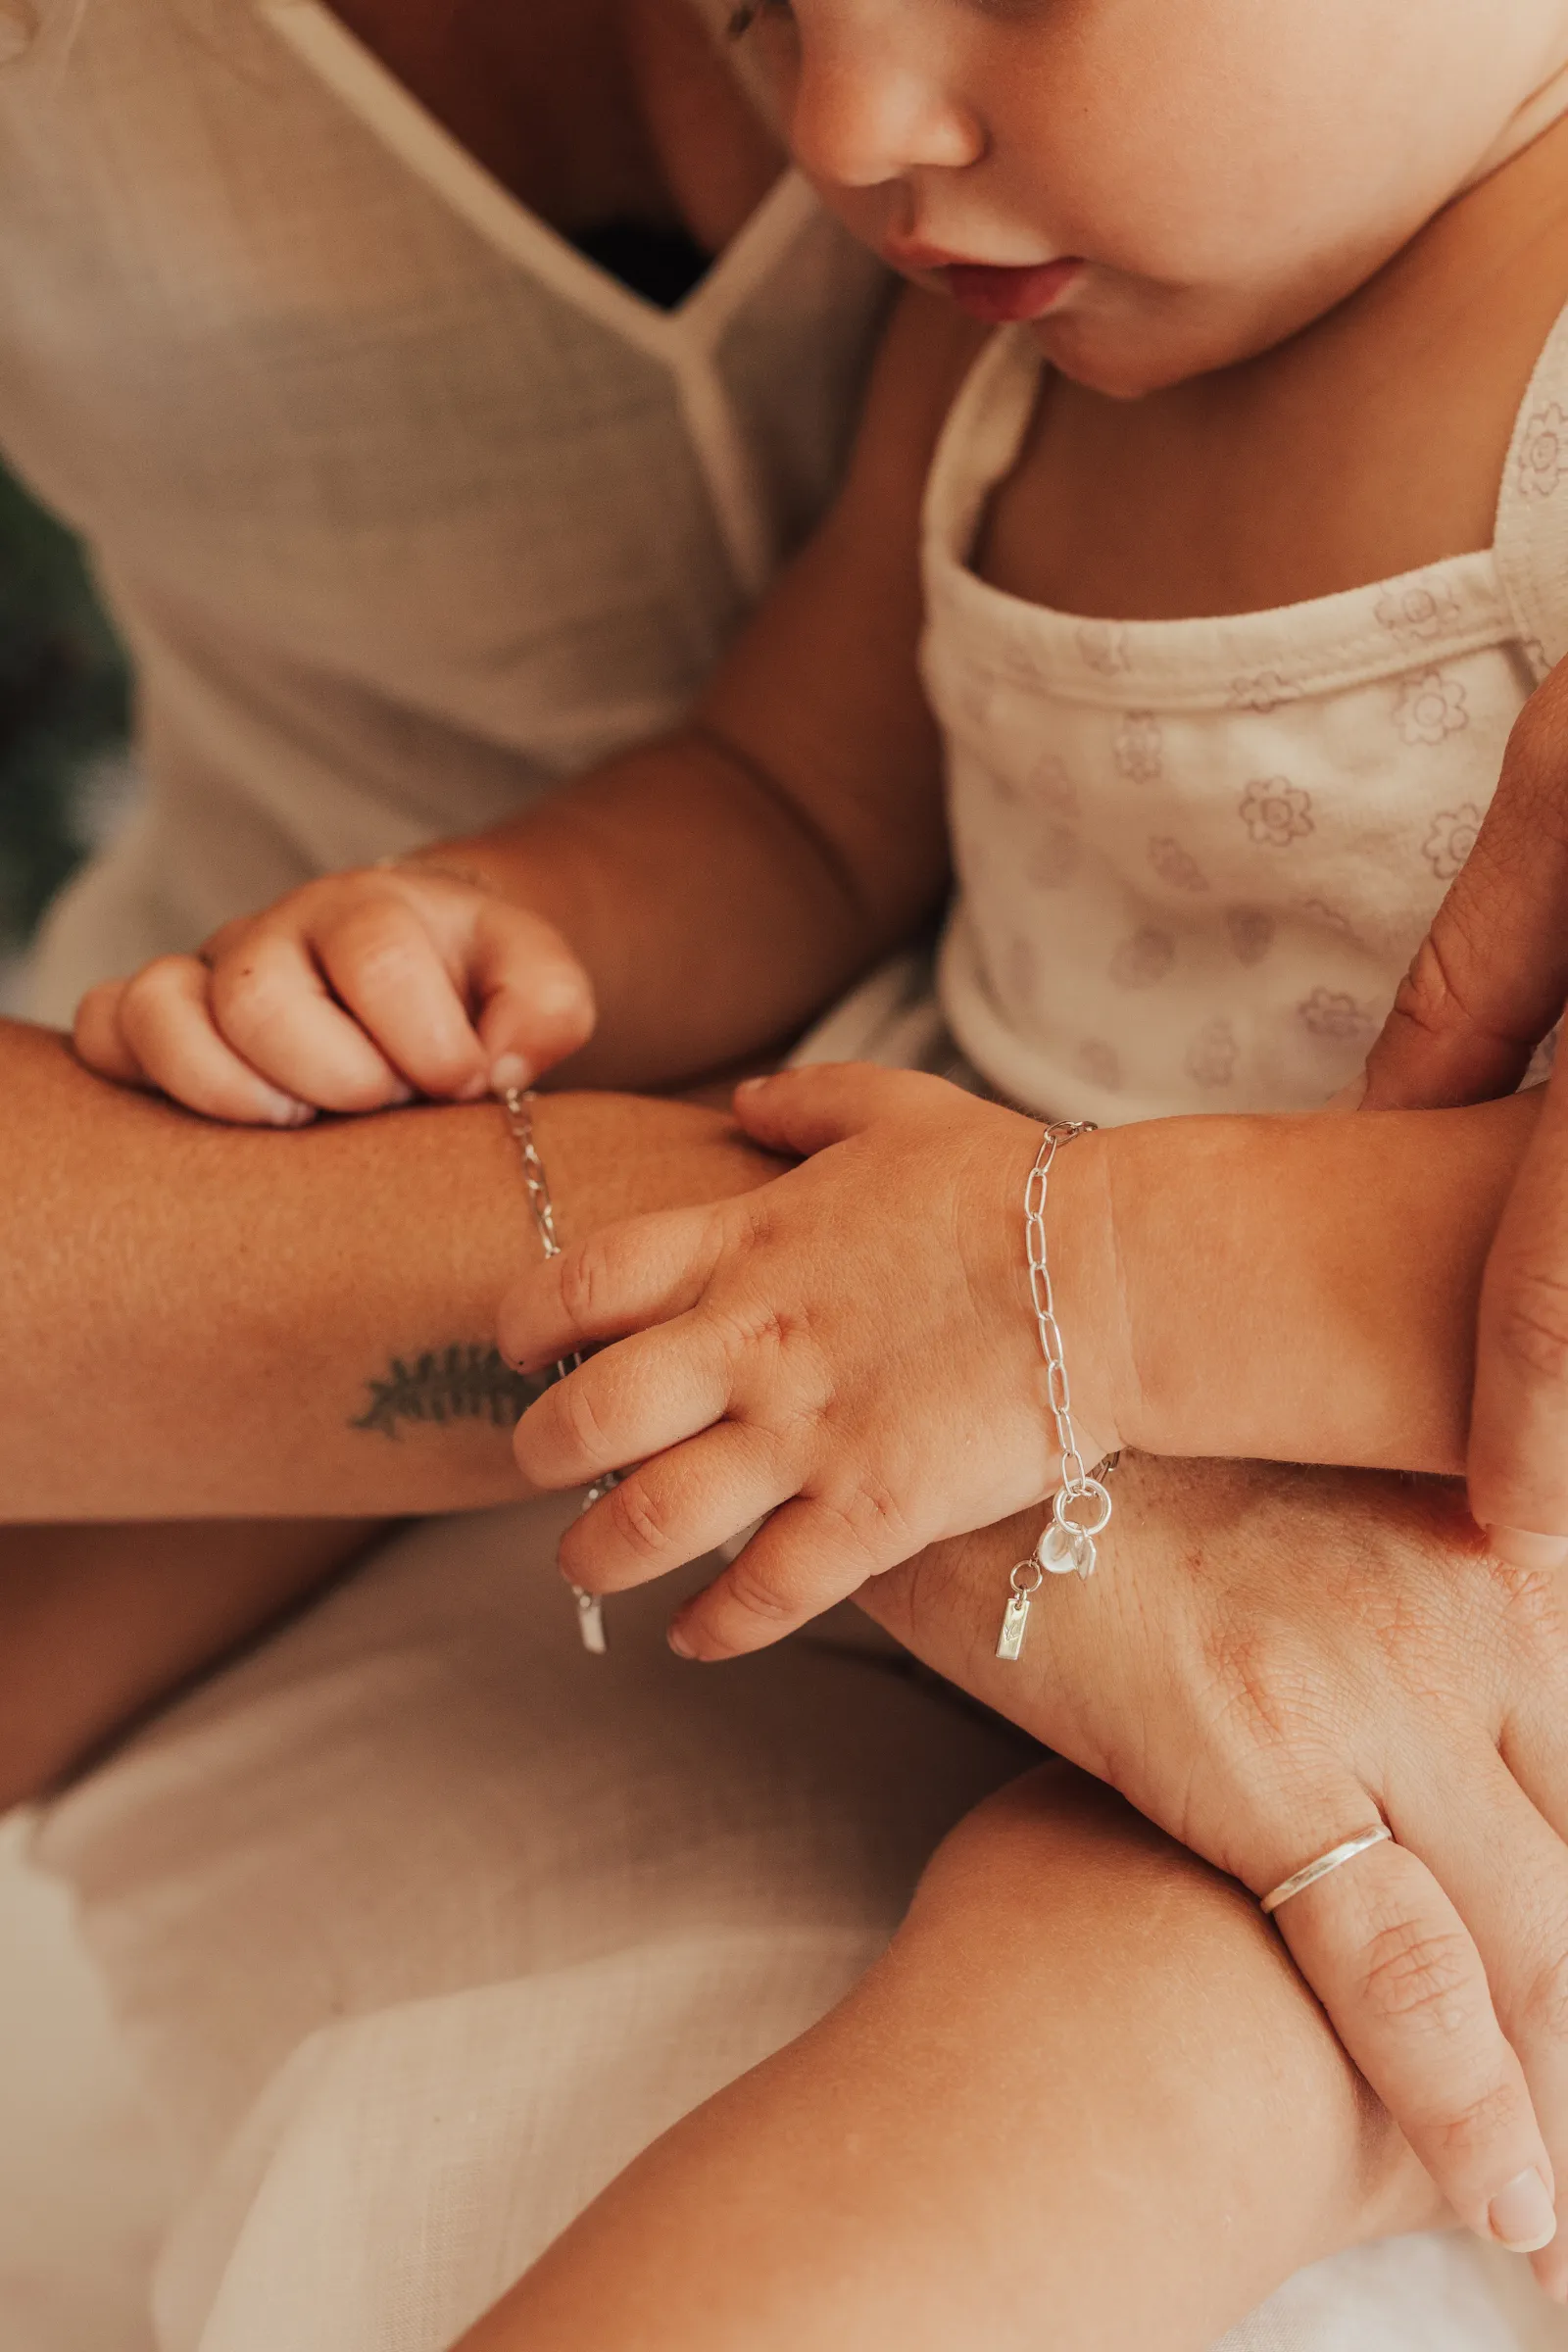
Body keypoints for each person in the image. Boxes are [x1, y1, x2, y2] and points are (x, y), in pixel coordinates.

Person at [16, 6, 1568, 2352]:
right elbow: (798, 799)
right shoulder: (1009, 363)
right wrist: (500, 931)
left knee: (1052, 2081)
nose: (849, 129)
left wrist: (1066, 1288)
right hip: (976, 1399)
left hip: (1466, 1582)